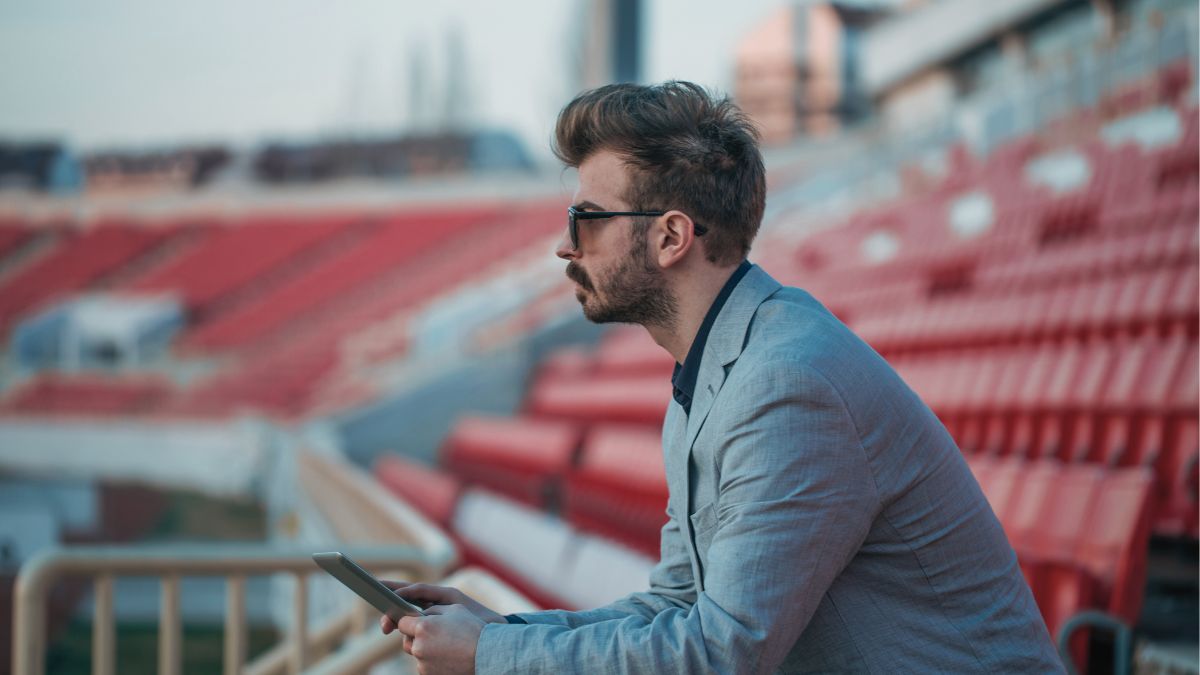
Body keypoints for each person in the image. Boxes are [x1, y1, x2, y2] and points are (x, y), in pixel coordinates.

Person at [381, 81, 1065, 674]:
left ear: (672, 237)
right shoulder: (713, 367)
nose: (565, 244)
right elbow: (674, 605)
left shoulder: (789, 386)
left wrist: (492, 658)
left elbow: (716, 656)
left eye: (586, 220)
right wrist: (503, 633)